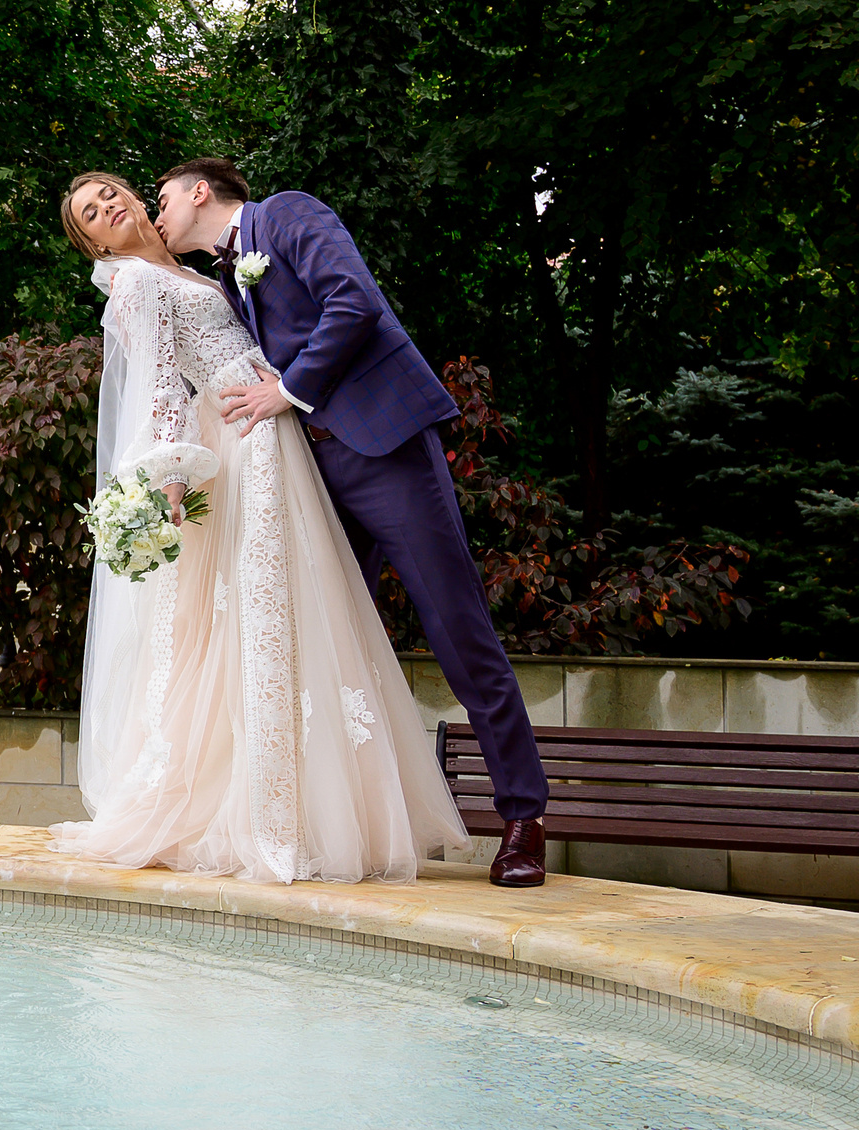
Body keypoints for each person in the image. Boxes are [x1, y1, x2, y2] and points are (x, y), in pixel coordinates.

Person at [48, 171, 468, 884]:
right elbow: (159, 390)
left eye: (111, 192)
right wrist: (170, 477)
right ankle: (271, 814)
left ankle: (312, 807)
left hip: (275, 429)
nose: (110, 205)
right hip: (241, 435)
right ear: (93, 242)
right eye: (92, 212)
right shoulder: (136, 286)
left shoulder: (199, 272)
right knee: (259, 620)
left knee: (295, 613)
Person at [151, 156, 550, 887]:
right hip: (312, 475)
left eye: (163, 198)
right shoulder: (220, 281)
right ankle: (344, 828)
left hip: (384, 450)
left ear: (201, 190)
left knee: (460, 634)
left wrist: (290, 389)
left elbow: (353, 302)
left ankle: (524, 816)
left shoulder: (289, 213)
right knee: (326, 646)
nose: (157, 214)